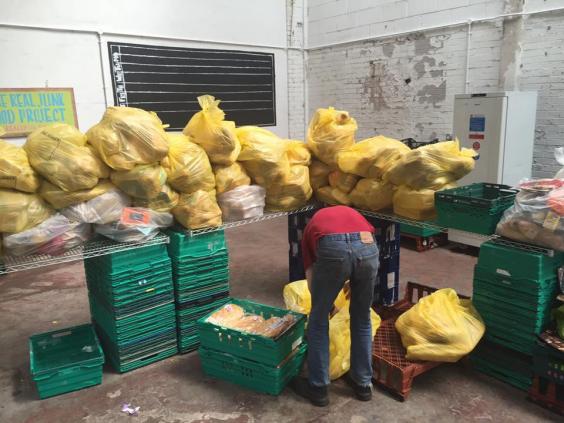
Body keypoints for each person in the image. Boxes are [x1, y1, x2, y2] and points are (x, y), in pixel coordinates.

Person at [291, 205, 379, 406]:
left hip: (332, 246)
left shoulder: (310, 230)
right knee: (362, 317)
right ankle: (363, 384)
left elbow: (311, 276)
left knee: (318, 321)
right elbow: (359, 253)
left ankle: (318, 388)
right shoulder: (353, 214)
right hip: (367, 245)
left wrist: (324, 305)